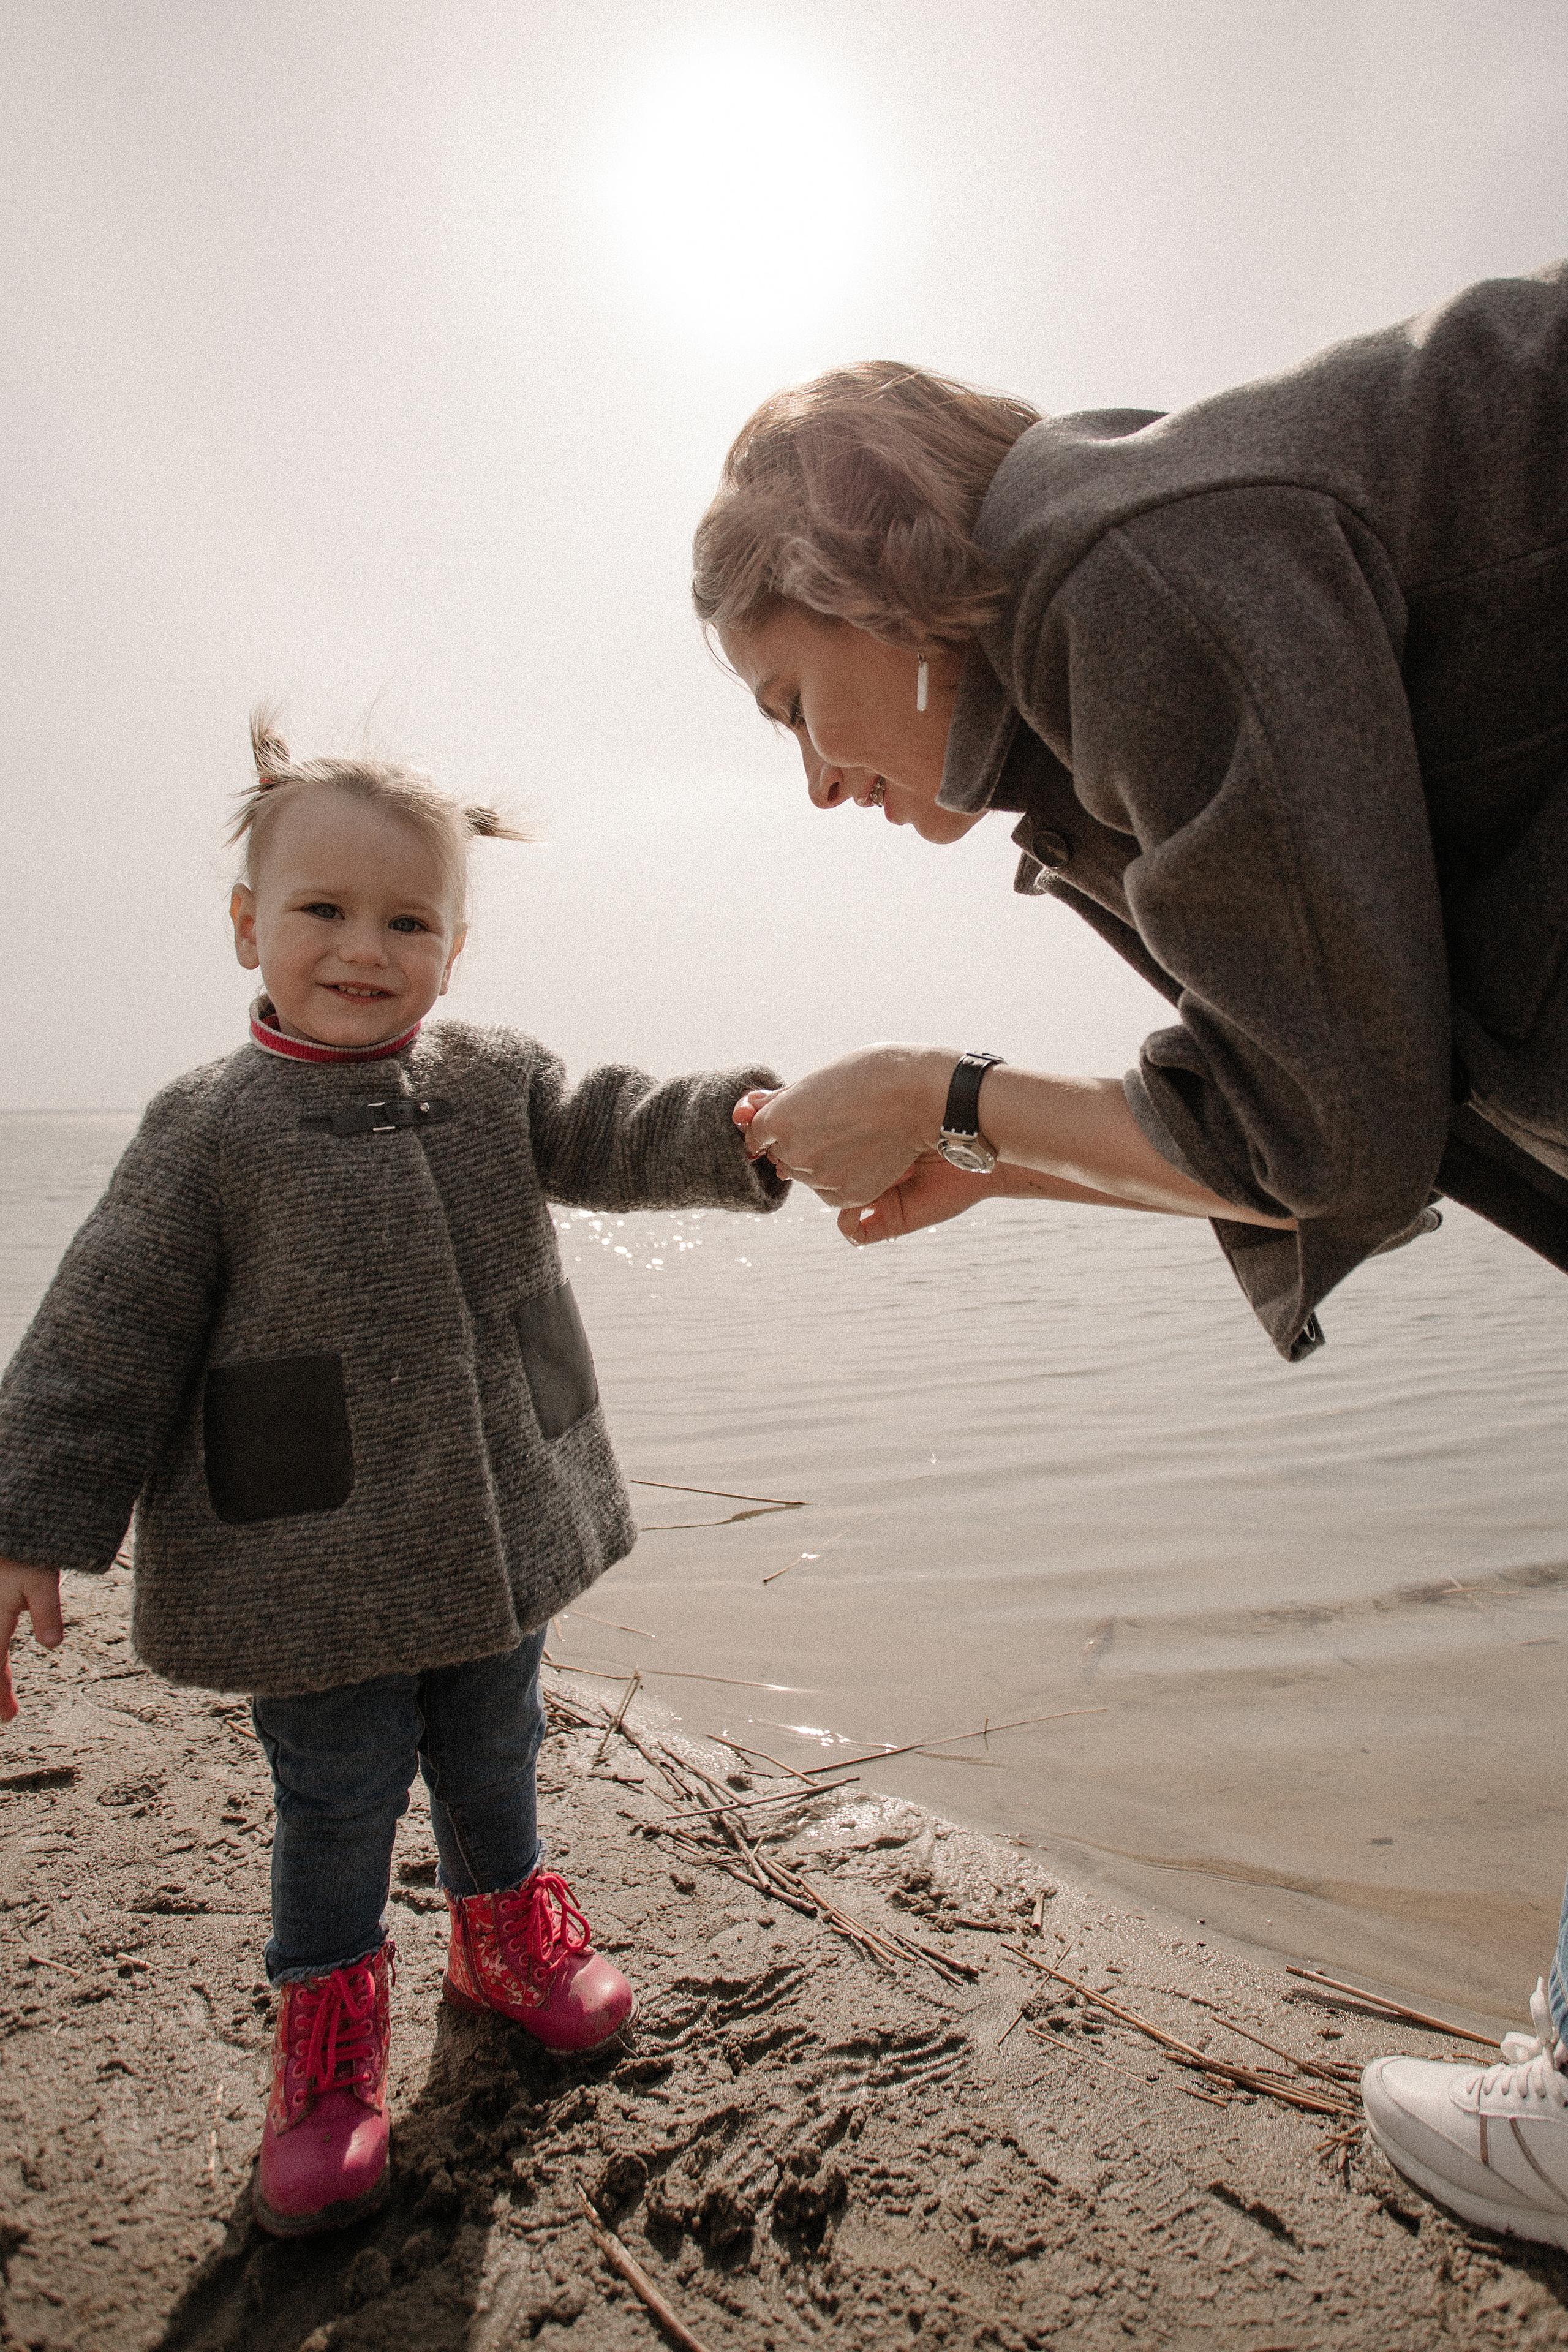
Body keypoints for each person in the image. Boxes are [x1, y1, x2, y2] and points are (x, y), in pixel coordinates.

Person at [695, 263, 1568, 2248]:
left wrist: (952, 1091)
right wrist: (995, 1158)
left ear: (868, 557)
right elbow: (1299, 1107)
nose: (811, 777)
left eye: (788, 699)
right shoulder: (1124, 597)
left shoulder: (1126, 578)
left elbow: (1325, 1123)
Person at [0, 713, 786, 2239]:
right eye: (322, 911)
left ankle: (503, 1935)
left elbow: (617, 1127)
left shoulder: (493, 1080)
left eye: (406, 920)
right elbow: (105, 1332)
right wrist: (29, 1519)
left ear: (455, 945)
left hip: (503, 1506)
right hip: (312, 1552)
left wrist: (746, 1127)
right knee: (340, 1791)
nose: (364, 949)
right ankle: (328, 2040)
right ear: (248, 923)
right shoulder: (206, 1130)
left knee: (496, 1742)